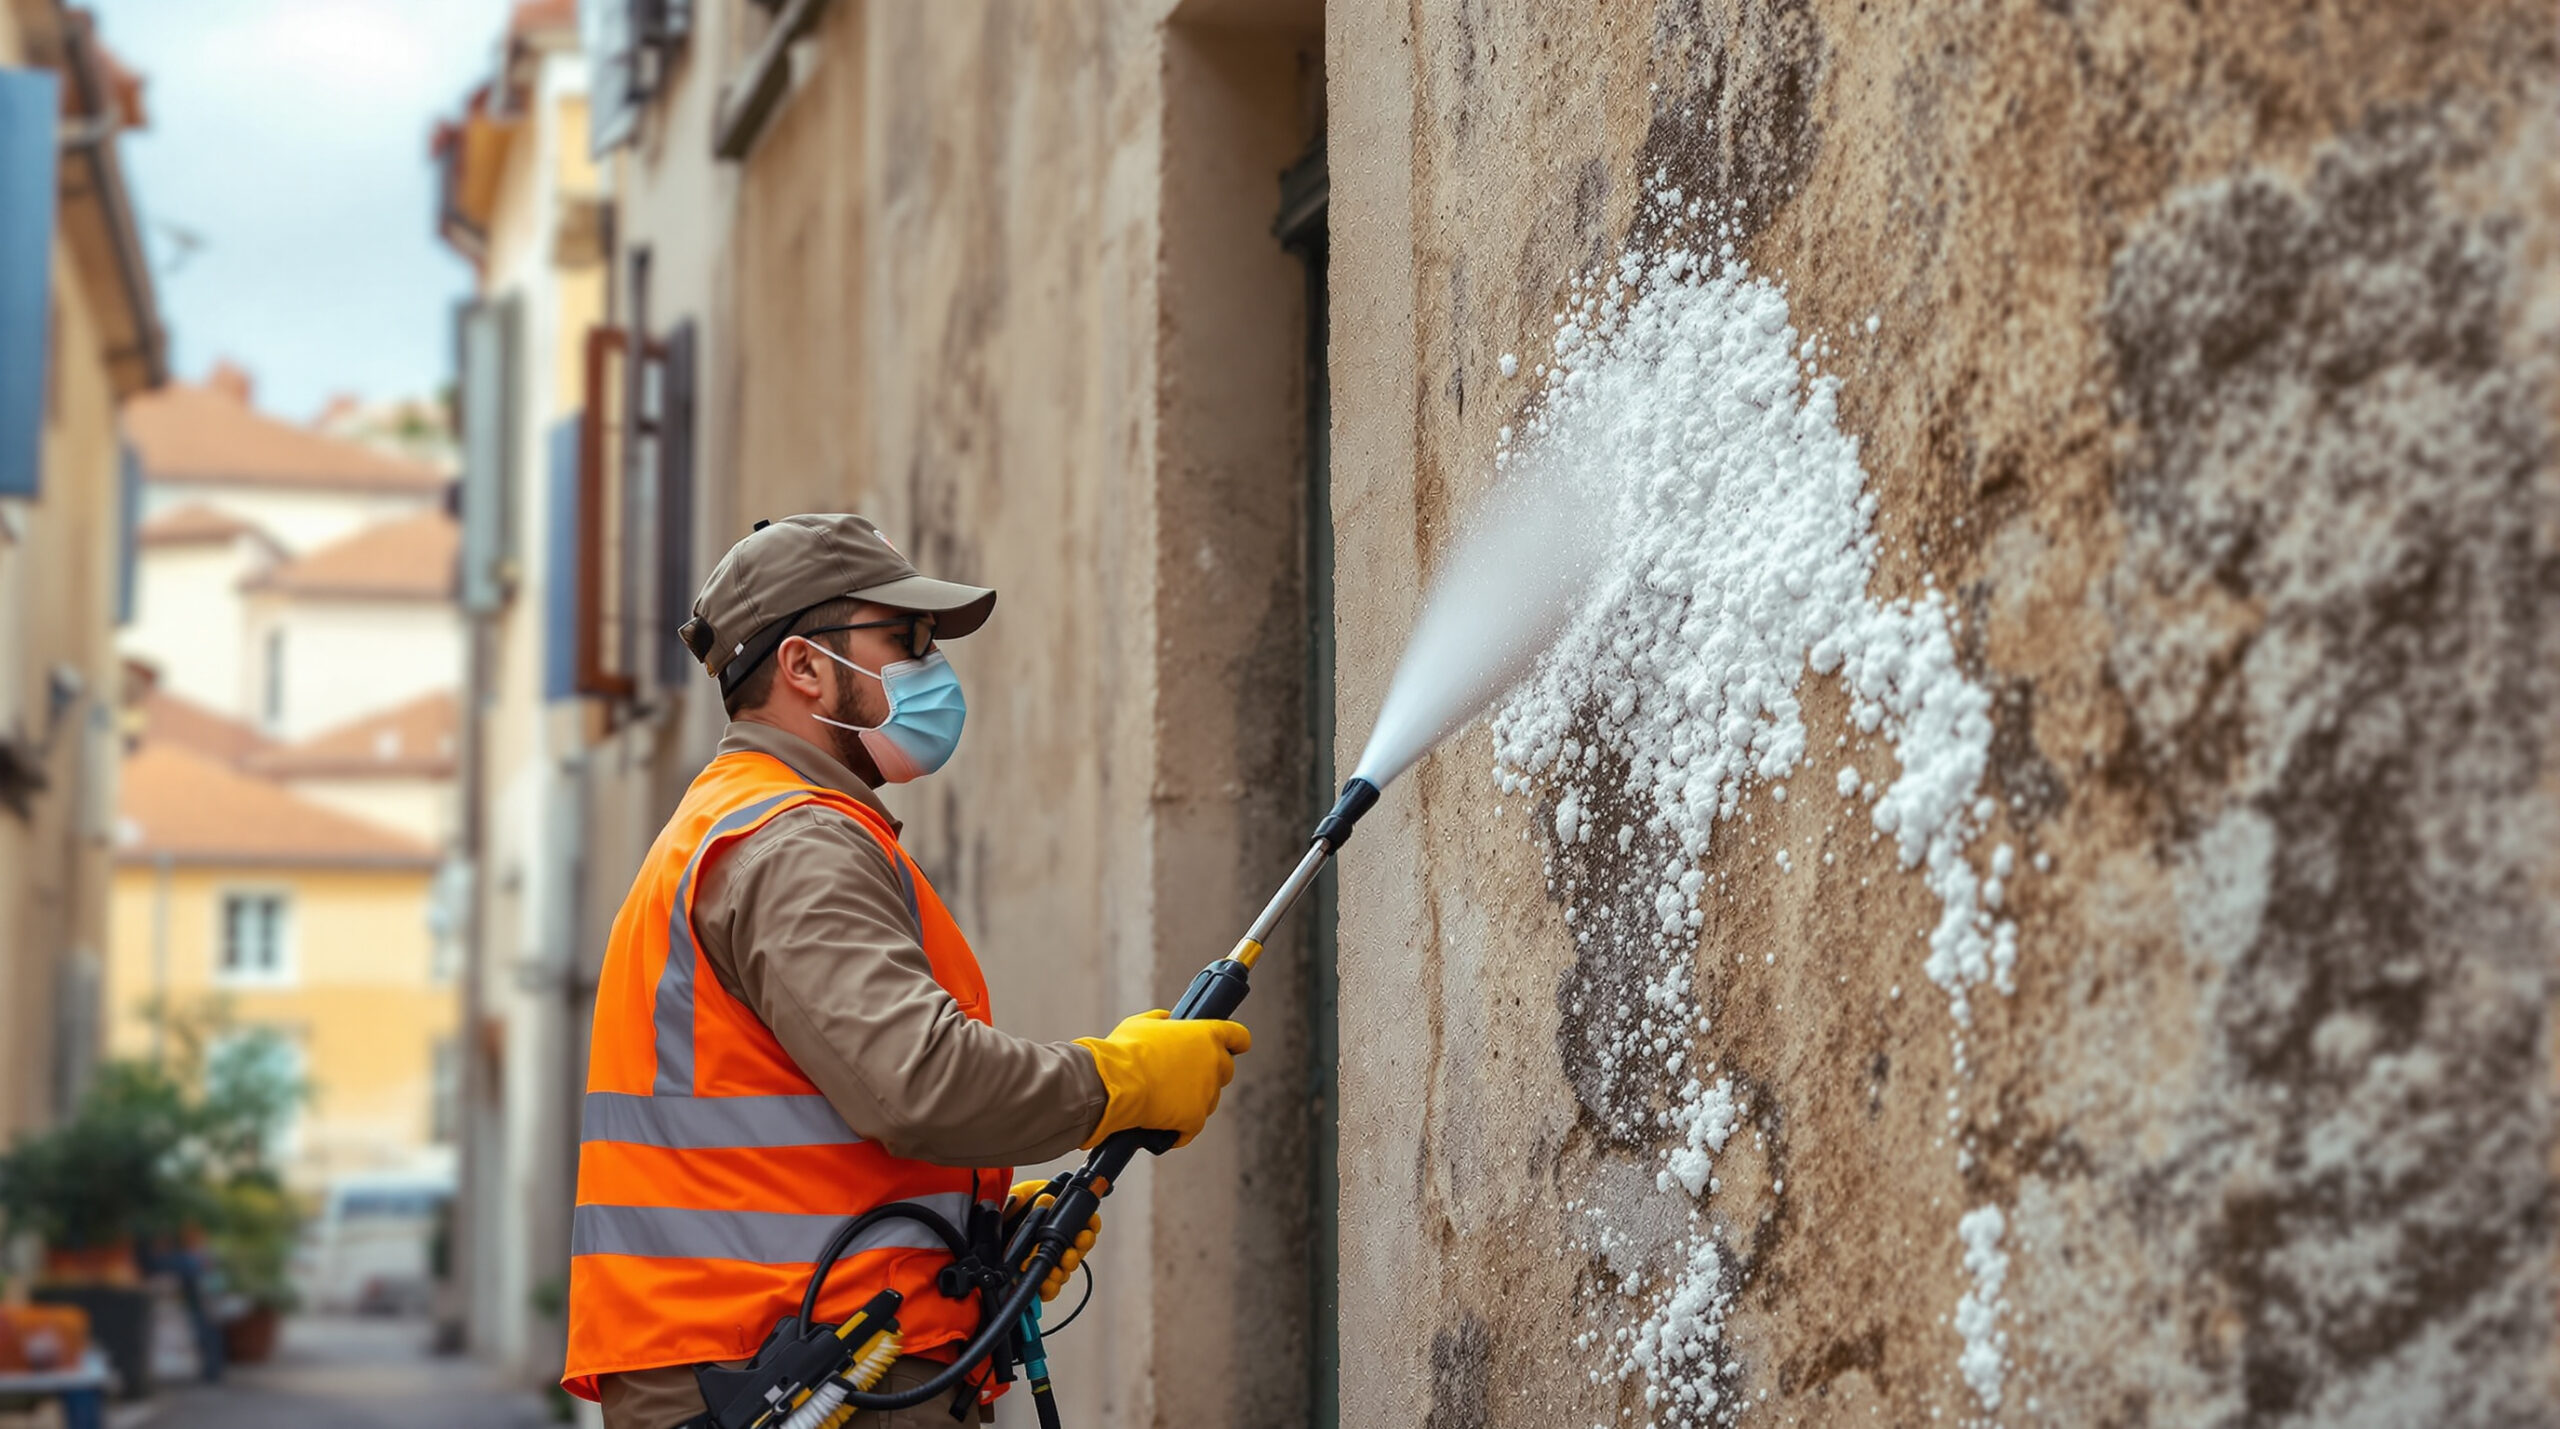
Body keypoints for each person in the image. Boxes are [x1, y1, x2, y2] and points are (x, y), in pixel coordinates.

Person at [561, 514, 1253, 1428]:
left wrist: (972, 1229)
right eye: (906, 638)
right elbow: (919, 1082)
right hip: (791, 1369)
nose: (933, 666)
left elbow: (803, 1135)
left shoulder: (748, 825)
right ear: (804, 666)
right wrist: (1119, 1081)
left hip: (784, 1359)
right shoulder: (793, 841)